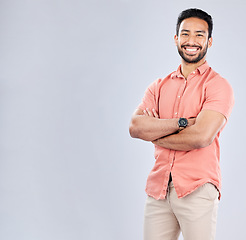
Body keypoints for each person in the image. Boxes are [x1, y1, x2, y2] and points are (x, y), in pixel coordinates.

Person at [129, 8, 234, 240]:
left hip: (197, 188)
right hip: (158, 189)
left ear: (210, 41)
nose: (191, 41)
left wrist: (155, 132)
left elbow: (200, 137)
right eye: (185, 34)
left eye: (199, 35)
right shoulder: (158, 86)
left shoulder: (218, 86)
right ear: (176, 39)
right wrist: (182, 122)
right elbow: (136, 127)